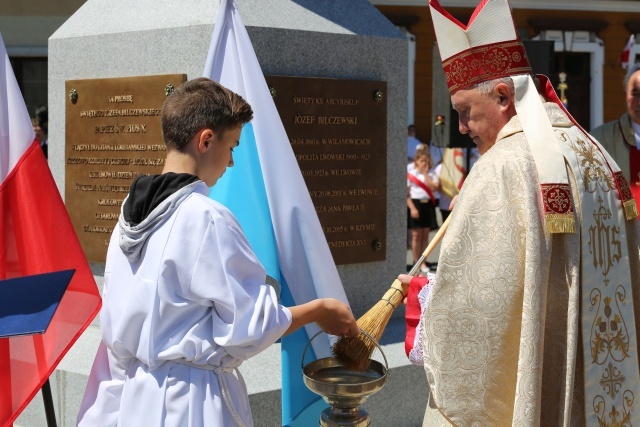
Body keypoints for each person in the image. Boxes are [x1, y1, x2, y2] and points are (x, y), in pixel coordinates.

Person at [402, 1, 640, 426]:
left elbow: (479, 309)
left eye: (464, 111)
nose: (461, 127)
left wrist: (423, 294)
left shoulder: (502, 167)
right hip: (608, 386)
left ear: (503, 96)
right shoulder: (598, 152)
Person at [76, 78, 359, 427]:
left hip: (128, 394)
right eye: (233, 147)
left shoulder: (127, 214)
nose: (231, 163)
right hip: (187, 403)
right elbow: (249, 327)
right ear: (206, 140)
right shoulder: (206, 217)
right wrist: (319, 309)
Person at [591, 62, 640, 205]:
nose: (639, 102)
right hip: (623, 225)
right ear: (626, 95)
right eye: (635, 94)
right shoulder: (601, 138)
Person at [407, 145, 438, 273]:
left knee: (425, 235)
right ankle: (415, 261)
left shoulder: (431, 172)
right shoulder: (410, 172)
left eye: (426, 160)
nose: (424, 163)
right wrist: (412, 208)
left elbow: (434, 187)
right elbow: (407, 194)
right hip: (416, 204)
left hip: (428, 205)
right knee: (416, 235)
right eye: (421, 161)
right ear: (416, 161)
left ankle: (423, 261)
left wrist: (425, 174)